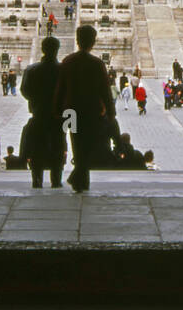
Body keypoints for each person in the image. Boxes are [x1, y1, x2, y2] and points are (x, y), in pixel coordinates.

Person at [54, 24, 114, 192]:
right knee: (89, 144)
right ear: (92, 42)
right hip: (91, 112)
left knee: (77, 143)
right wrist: (111, 112)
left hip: (70, 111)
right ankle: (79, 178)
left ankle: (80, 180)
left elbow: (61, 88)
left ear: (78, 41)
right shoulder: (97, 64)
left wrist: (58, 109)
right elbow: (105, 90)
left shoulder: (68, 61)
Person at [21, 35, 66, 188]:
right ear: (57, 50)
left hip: (39, 113)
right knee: (58, 147)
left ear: (42, 49)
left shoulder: (32, 70)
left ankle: (37, 179)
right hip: (58, 116)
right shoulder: (63, 71)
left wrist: (36, 100)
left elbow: (25, 90)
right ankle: (56, 180)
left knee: (37, 148)